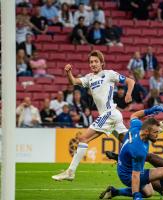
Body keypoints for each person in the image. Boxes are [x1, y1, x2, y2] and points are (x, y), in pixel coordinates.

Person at [52, 50, 135, 181]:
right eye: (91, 62)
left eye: (96, 61)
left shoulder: (109, 74)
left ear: (102, 63)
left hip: (109, 114)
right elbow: (73, 81)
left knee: (83, 138)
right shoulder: (89, 78)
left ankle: (70, 172)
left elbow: (130, 81)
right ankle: (157, 170)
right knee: (132, 146)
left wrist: (128, 94)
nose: (93, 64)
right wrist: (68, 72)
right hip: (112, 117)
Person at [100, 105, 163, 200]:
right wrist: (136, 196)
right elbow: (135, 175)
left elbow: (134, 115)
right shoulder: (138, 149)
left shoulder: (137, 127)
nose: (158, 135)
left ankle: (114, 191)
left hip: (123, 167)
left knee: (148, 193)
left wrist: (149, 110)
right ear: (147, 132)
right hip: (128, 175)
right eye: (155, 132)